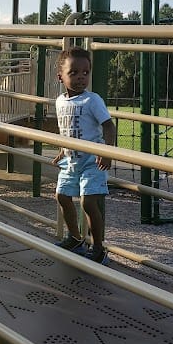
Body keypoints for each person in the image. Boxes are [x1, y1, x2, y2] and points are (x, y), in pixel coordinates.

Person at [51, 46, 116, 265]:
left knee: (88, 203)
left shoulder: (92, 100)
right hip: (70, 160)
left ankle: (98, 248)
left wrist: (106, 152)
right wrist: (62, 149)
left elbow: (109, 126)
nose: (81, 77)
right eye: (74, 73)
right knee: (61, 197)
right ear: (60, 76)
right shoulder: (60, 102)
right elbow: (65, 129)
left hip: (92, 160)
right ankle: (76, 239)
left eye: (85, 73)